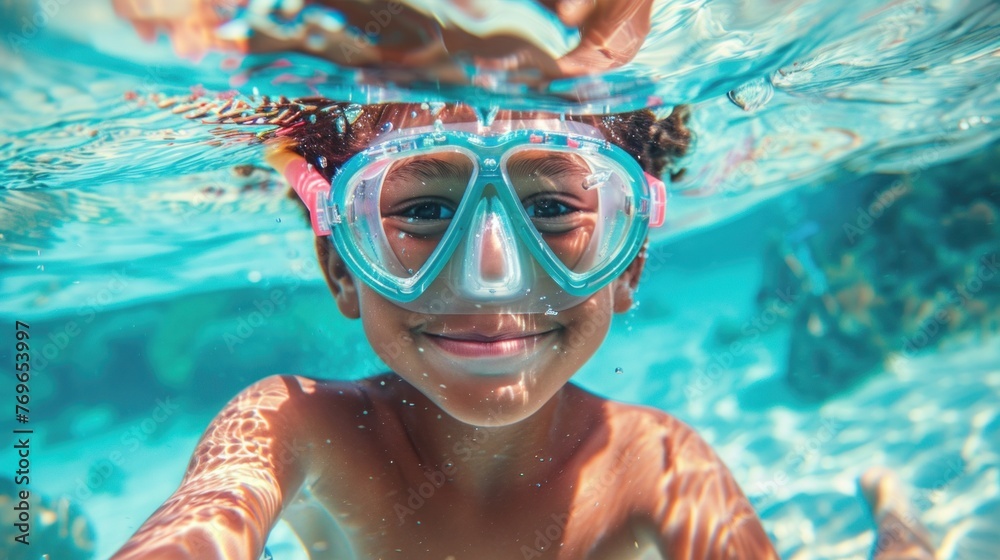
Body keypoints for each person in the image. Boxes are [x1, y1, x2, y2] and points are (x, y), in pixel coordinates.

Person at [111, 101, 940, 559]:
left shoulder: (658, 461)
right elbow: (197, 527)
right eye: (425, 211)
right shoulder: (288, 424)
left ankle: (894, 515)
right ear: (341, 269)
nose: (492, 275)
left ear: (628, 268)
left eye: (552, 208)